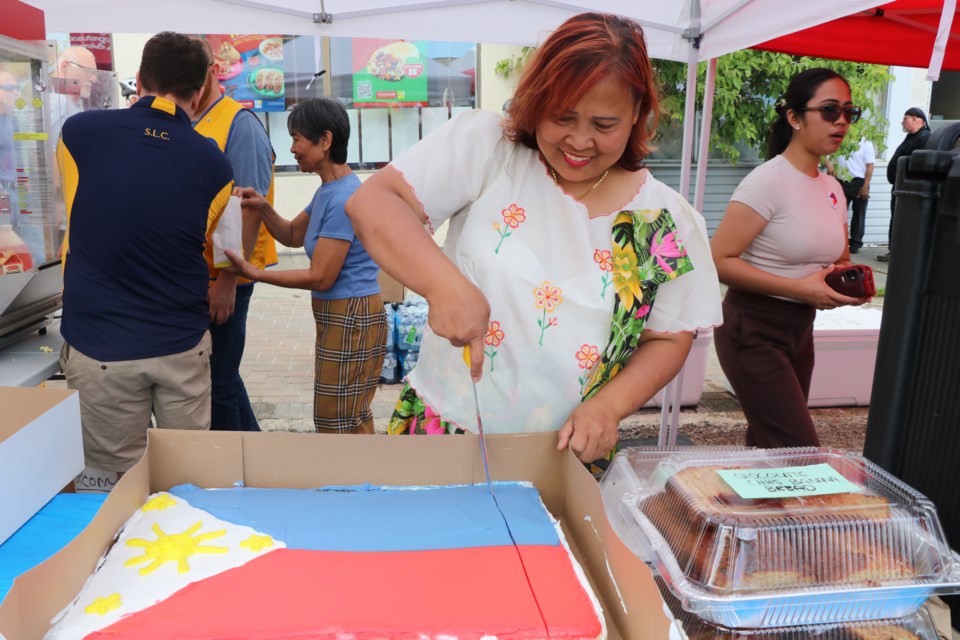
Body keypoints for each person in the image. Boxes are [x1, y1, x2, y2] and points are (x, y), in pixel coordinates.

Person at [344, 12, 721, 463]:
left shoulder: (659, 220)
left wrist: (609, 406)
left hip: (567, 453)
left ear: (639, 114)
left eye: (604, 125)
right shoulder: (491, 153)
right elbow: (375, 204)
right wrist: (442, 284)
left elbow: (666, 338)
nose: (579, 141)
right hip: (444, 429)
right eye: (562, 116)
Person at [56, 32, 257, 478]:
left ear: (140, 77)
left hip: (99, 343)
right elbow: (218, 243)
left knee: (111, 484)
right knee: (186, 481)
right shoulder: (214, 164)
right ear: (201, 88)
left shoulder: (79, 135)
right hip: (180, 345)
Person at [711, 68, 873, 449]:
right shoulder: (768, 181)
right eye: (830, 110)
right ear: (794, 118)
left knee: (769, 448)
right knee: (797, 450)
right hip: (751, 329)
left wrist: (846, 282)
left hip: (800, 329)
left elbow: (839, 257)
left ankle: (737, 508)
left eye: (850, 112)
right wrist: (800, 289)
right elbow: (718, 259)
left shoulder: (832, 186)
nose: (842, 122)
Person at [228, 98, 387, 434]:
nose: (293, 149)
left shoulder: (344, 197)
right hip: (342, 315)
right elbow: (291, 235)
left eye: (298, 138)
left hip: (351, 315)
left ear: (325, 141)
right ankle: (366, 481)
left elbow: (321, 277)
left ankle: (355, 483)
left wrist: (256, 273)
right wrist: (261, 207)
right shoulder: (329, 191)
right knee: (348, 414)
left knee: (337, 418)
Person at [193, 37, 277, 432]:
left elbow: (249, 208)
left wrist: (227, 280)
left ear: (212, 71)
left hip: (228, 275)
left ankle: (233, 473)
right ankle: (259, 455)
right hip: (199, 275)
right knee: (219, 376)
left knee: (219, 379)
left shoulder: (240, 125)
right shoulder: (189, 120)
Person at [880, 107, 931, 262]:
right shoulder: (912, 137)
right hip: (900, 186)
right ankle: (894, 251)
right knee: (896, 218)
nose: (902, 122)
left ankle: (902, 253)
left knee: (904, 220)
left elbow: (920, 165)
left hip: (909, 189)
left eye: (905, 118)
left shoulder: (925, 138)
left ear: (917, 119)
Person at [825, 137, 875, 254]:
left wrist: (865, 186)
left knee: (859, 214)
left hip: (859, 181)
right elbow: (824, 155)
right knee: (838, 213)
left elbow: (870, 166)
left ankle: (855, 243)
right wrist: (829, 165)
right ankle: (837, 241)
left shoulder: (866, 142)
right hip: (841, 181)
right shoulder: (840, 138)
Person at [49, 45, 98, 137]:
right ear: (65, 67)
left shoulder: (71, 99)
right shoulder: (57, 100)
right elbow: (48, 147)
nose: (93, 79)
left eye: (94, 73)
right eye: (89, 71)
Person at [0, 70, 19, 231]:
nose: (15, 92)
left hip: (17, 190)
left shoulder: (12, 118)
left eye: (16, 87)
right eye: (9, 87)